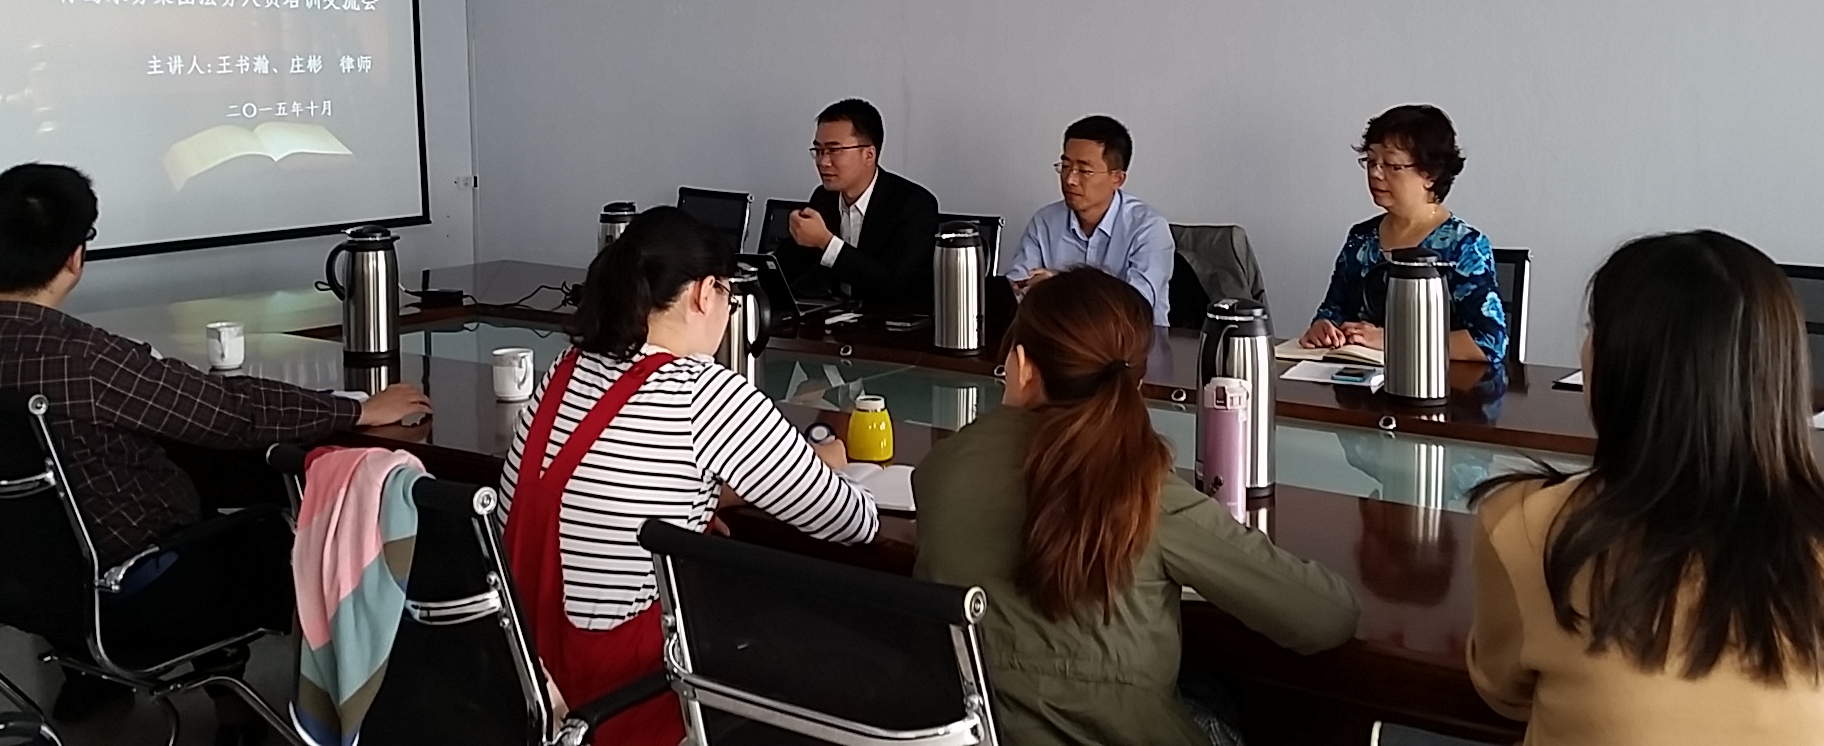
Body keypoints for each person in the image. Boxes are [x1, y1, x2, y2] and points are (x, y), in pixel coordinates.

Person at [0, 163, 429, 739]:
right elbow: (228, 412)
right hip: (132, 594)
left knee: (167, 502)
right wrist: (356, 409)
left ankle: (98, 675)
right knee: (268, 530)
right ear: (76, 256)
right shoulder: (86, 362)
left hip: (8, 576)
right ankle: (282, 710)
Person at [1468, 231, 1824, 744]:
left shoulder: (1528, 529)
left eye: (1591, 331)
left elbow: (1502, 690)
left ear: (1617, 367)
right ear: (1781, 377)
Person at [914, 268, 1359, 746]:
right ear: (1137, 381)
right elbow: (1325, 618)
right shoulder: (1143, 487)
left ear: (1021, 366)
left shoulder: (941, 469)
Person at [500, 206, 879, 745]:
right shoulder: (702, 392)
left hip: (524, 687)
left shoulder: (565, 371)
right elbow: (852, 523)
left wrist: (705, 499)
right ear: (705, 293)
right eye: (729, 295)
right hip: (625, 703)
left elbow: (604, 487)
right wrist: (826, 464)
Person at [1302, 104, 1506, 370]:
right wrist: (1323, 328)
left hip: (1440, 386)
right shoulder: (1361, 238)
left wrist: (1392, 339)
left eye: (1392, 165)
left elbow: (1488, 342)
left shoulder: (1464, 246)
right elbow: (1334, 310)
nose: (1375, 173)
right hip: (1359, 381)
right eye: (1371, 161)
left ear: (1430, 175)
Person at [1006, 115, 1176, 325]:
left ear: (1117, 179)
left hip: (1130, 341)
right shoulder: (1045, 222)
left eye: (1084, 170)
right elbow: (1016, 290)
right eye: (1065, 166)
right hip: (1057, 338)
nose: (1070, 179)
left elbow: (1133, 307)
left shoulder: (1148, 228)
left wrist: (1058, 286)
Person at [774, 98, 939, 309]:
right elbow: (788, 269)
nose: (823, 162)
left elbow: (892, 282)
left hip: (891, 320)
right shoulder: (824, 198)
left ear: (868, 154)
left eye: (834, 150)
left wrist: (826, 243)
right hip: (834, 316)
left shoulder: (914, 205)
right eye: (819, 150)